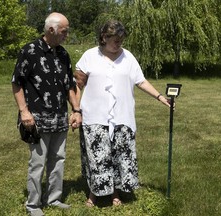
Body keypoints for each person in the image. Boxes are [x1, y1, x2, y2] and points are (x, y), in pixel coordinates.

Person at [73, 20, 171, 207]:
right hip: (95, 116)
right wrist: (76, 110)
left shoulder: (128, 57)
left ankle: (115, 194)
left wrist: (159, 96)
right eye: (115, 40)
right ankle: (94, 194)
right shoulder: (89, 56)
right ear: (104, 37)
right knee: (97, 157)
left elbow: (140, 81)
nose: (119, 43)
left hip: (122, 116)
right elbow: (77, 85)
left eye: (121, 39)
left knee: (119, 156)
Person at [11, 12, 82, 216]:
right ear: (51, 30)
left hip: (60, 118)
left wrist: (76, 110)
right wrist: (24, 111)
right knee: (38, 163)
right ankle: (33, 205)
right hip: (37, 119)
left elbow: (70, 85)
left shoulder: (63, 54)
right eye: (64, 31)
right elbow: (17, 82)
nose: (66, 35)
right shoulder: (30, 51)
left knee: (58, 159)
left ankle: (53, 198)